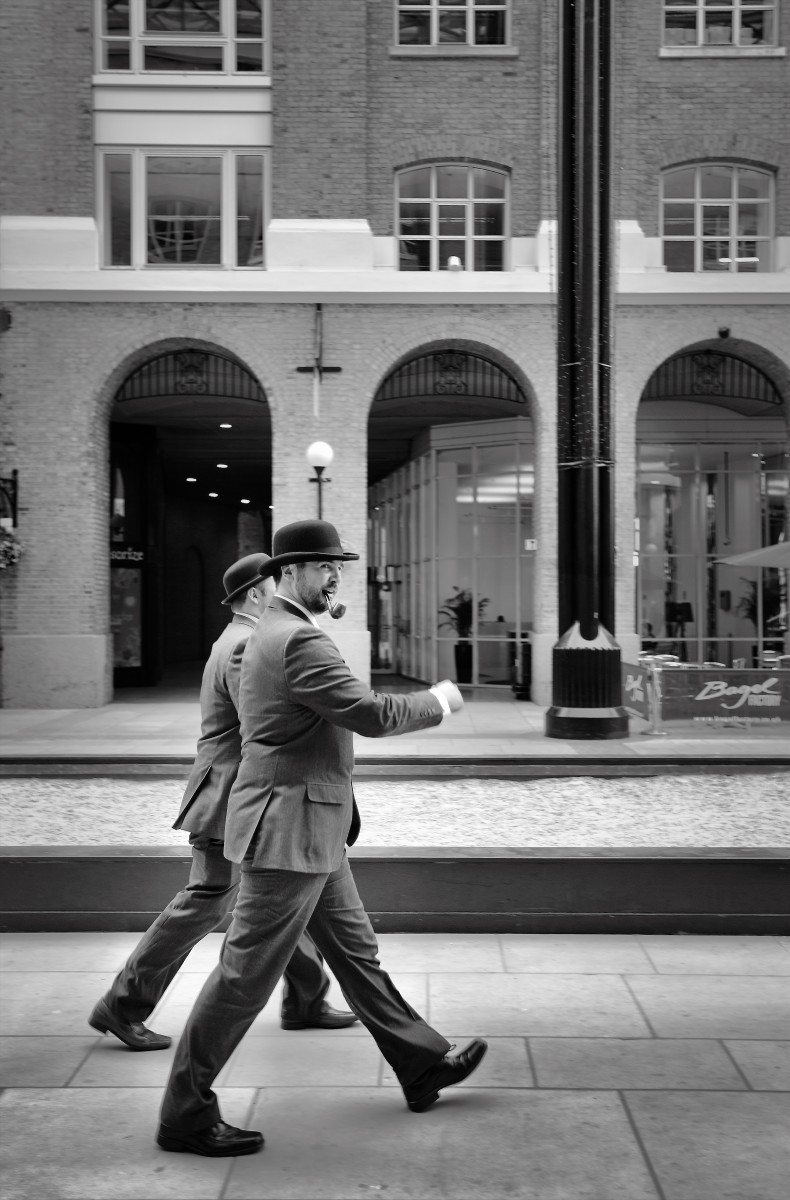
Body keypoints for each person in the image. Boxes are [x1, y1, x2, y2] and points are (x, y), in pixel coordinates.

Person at [156, 520, 488, 1158]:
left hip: (311, 827)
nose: (335, 576)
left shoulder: (268, 632)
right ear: (287, 574)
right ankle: (184, 1113)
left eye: (339, 565)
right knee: (243, 977)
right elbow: (370, 713)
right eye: (322, 565)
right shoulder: (297, 640)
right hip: (288, 832)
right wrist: (441, 700)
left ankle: (421, 1066)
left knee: (358, 957)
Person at [89, 552, 356, 1053]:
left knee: (290, 895)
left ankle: (306, 998)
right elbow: (267, 722)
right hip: (232, 796)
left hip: (237, 794)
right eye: (274, 588)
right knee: (207, 902)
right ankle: (123, 1004)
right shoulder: (245, 646)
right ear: (257, 594)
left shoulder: (235, 639)